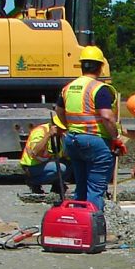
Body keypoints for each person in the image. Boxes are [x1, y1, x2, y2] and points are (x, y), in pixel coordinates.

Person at [54, 46, 126, 211]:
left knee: (81, 186)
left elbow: (59, 112)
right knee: (95, 189)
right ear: (100, 67)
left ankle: (79, 225)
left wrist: (69, 127)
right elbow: (107, 117)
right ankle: (94, 228)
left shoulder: (68, 88)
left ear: (81, 65)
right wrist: (115, 138)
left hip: (72, 140)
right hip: (95, 142)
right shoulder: (99, 89)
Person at [19, 116, 70, 194]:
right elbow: (35, 151)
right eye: (62, 129)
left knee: (71, 164)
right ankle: (33, 182)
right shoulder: (40, 132)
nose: (63, 131)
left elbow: (63, 154)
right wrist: (48, 135)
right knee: (61, 168)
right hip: (32, 166)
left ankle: (57, 186)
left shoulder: (61, 136)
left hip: (46, 163)